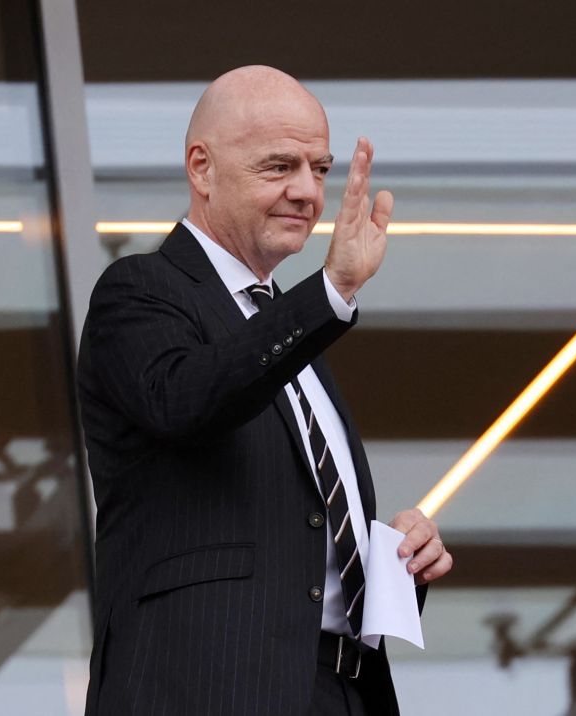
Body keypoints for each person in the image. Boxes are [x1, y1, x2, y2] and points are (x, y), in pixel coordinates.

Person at [77, 65, 452, 716]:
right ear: (202, 168)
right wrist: (329, 294)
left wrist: (391, 559)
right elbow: (187, 398)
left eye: (320, 168)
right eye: (280, 166)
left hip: (338, 690)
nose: (308, 192)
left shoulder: (290, 332)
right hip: (205, 691)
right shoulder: (140, 291)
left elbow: (296, 537)